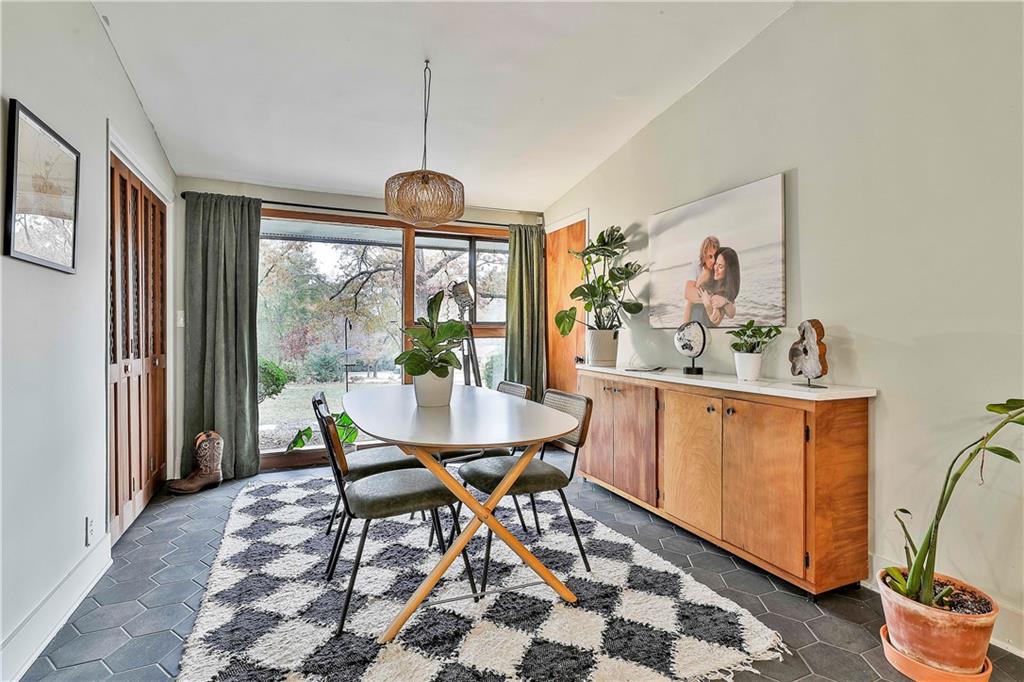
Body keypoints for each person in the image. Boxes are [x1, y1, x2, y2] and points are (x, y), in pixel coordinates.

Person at [685, 246, 740, 327]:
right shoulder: (707, 275)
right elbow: (689, 300)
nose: (716, 269)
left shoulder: (726, 289)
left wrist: (723, 302)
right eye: (716, 264)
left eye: (720, 267)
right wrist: (684, 326)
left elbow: (719, 320)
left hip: (707, 329)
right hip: (691, 325)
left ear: (729, 272)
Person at [682, 236, 719, 325]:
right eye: (710, 256)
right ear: (704, 254)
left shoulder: (719, 268)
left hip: (711, 312)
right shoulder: (697, 266)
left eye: (716, 256)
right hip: (696, 311)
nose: (713, 261)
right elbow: (688, 293)